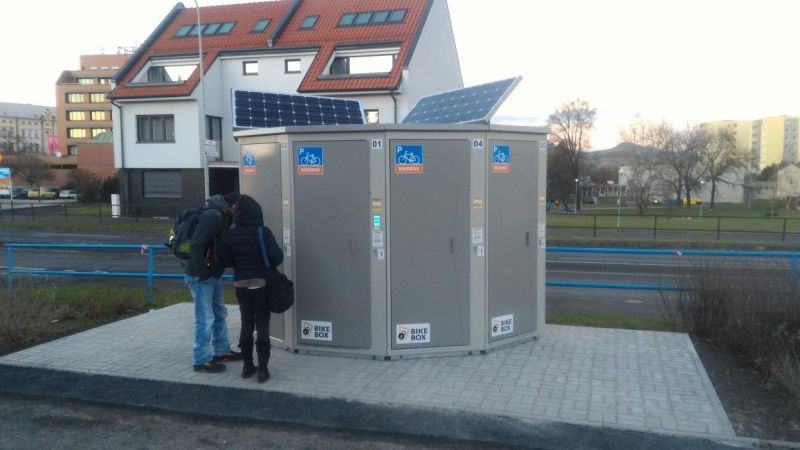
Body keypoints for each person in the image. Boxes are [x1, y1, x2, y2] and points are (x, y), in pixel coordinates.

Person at [217, 195, 283, 382]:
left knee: (246, 324)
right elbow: (277, 257)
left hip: (241, 286)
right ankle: (263, 369)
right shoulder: (263, 232)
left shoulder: (231, 234)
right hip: (261, 285)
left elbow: (225, 261)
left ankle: (247, 366)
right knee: (262, 325)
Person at [185, 193, 241, 373]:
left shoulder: (222, 216)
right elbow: (196, 245)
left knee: (219, 313)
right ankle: (201, 360)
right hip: (201, 277)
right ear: (231, 205)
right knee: (205, 318)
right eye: (237, 207)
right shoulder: (211, 216)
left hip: (213, 275)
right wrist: (203, 273)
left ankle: (221, 350)